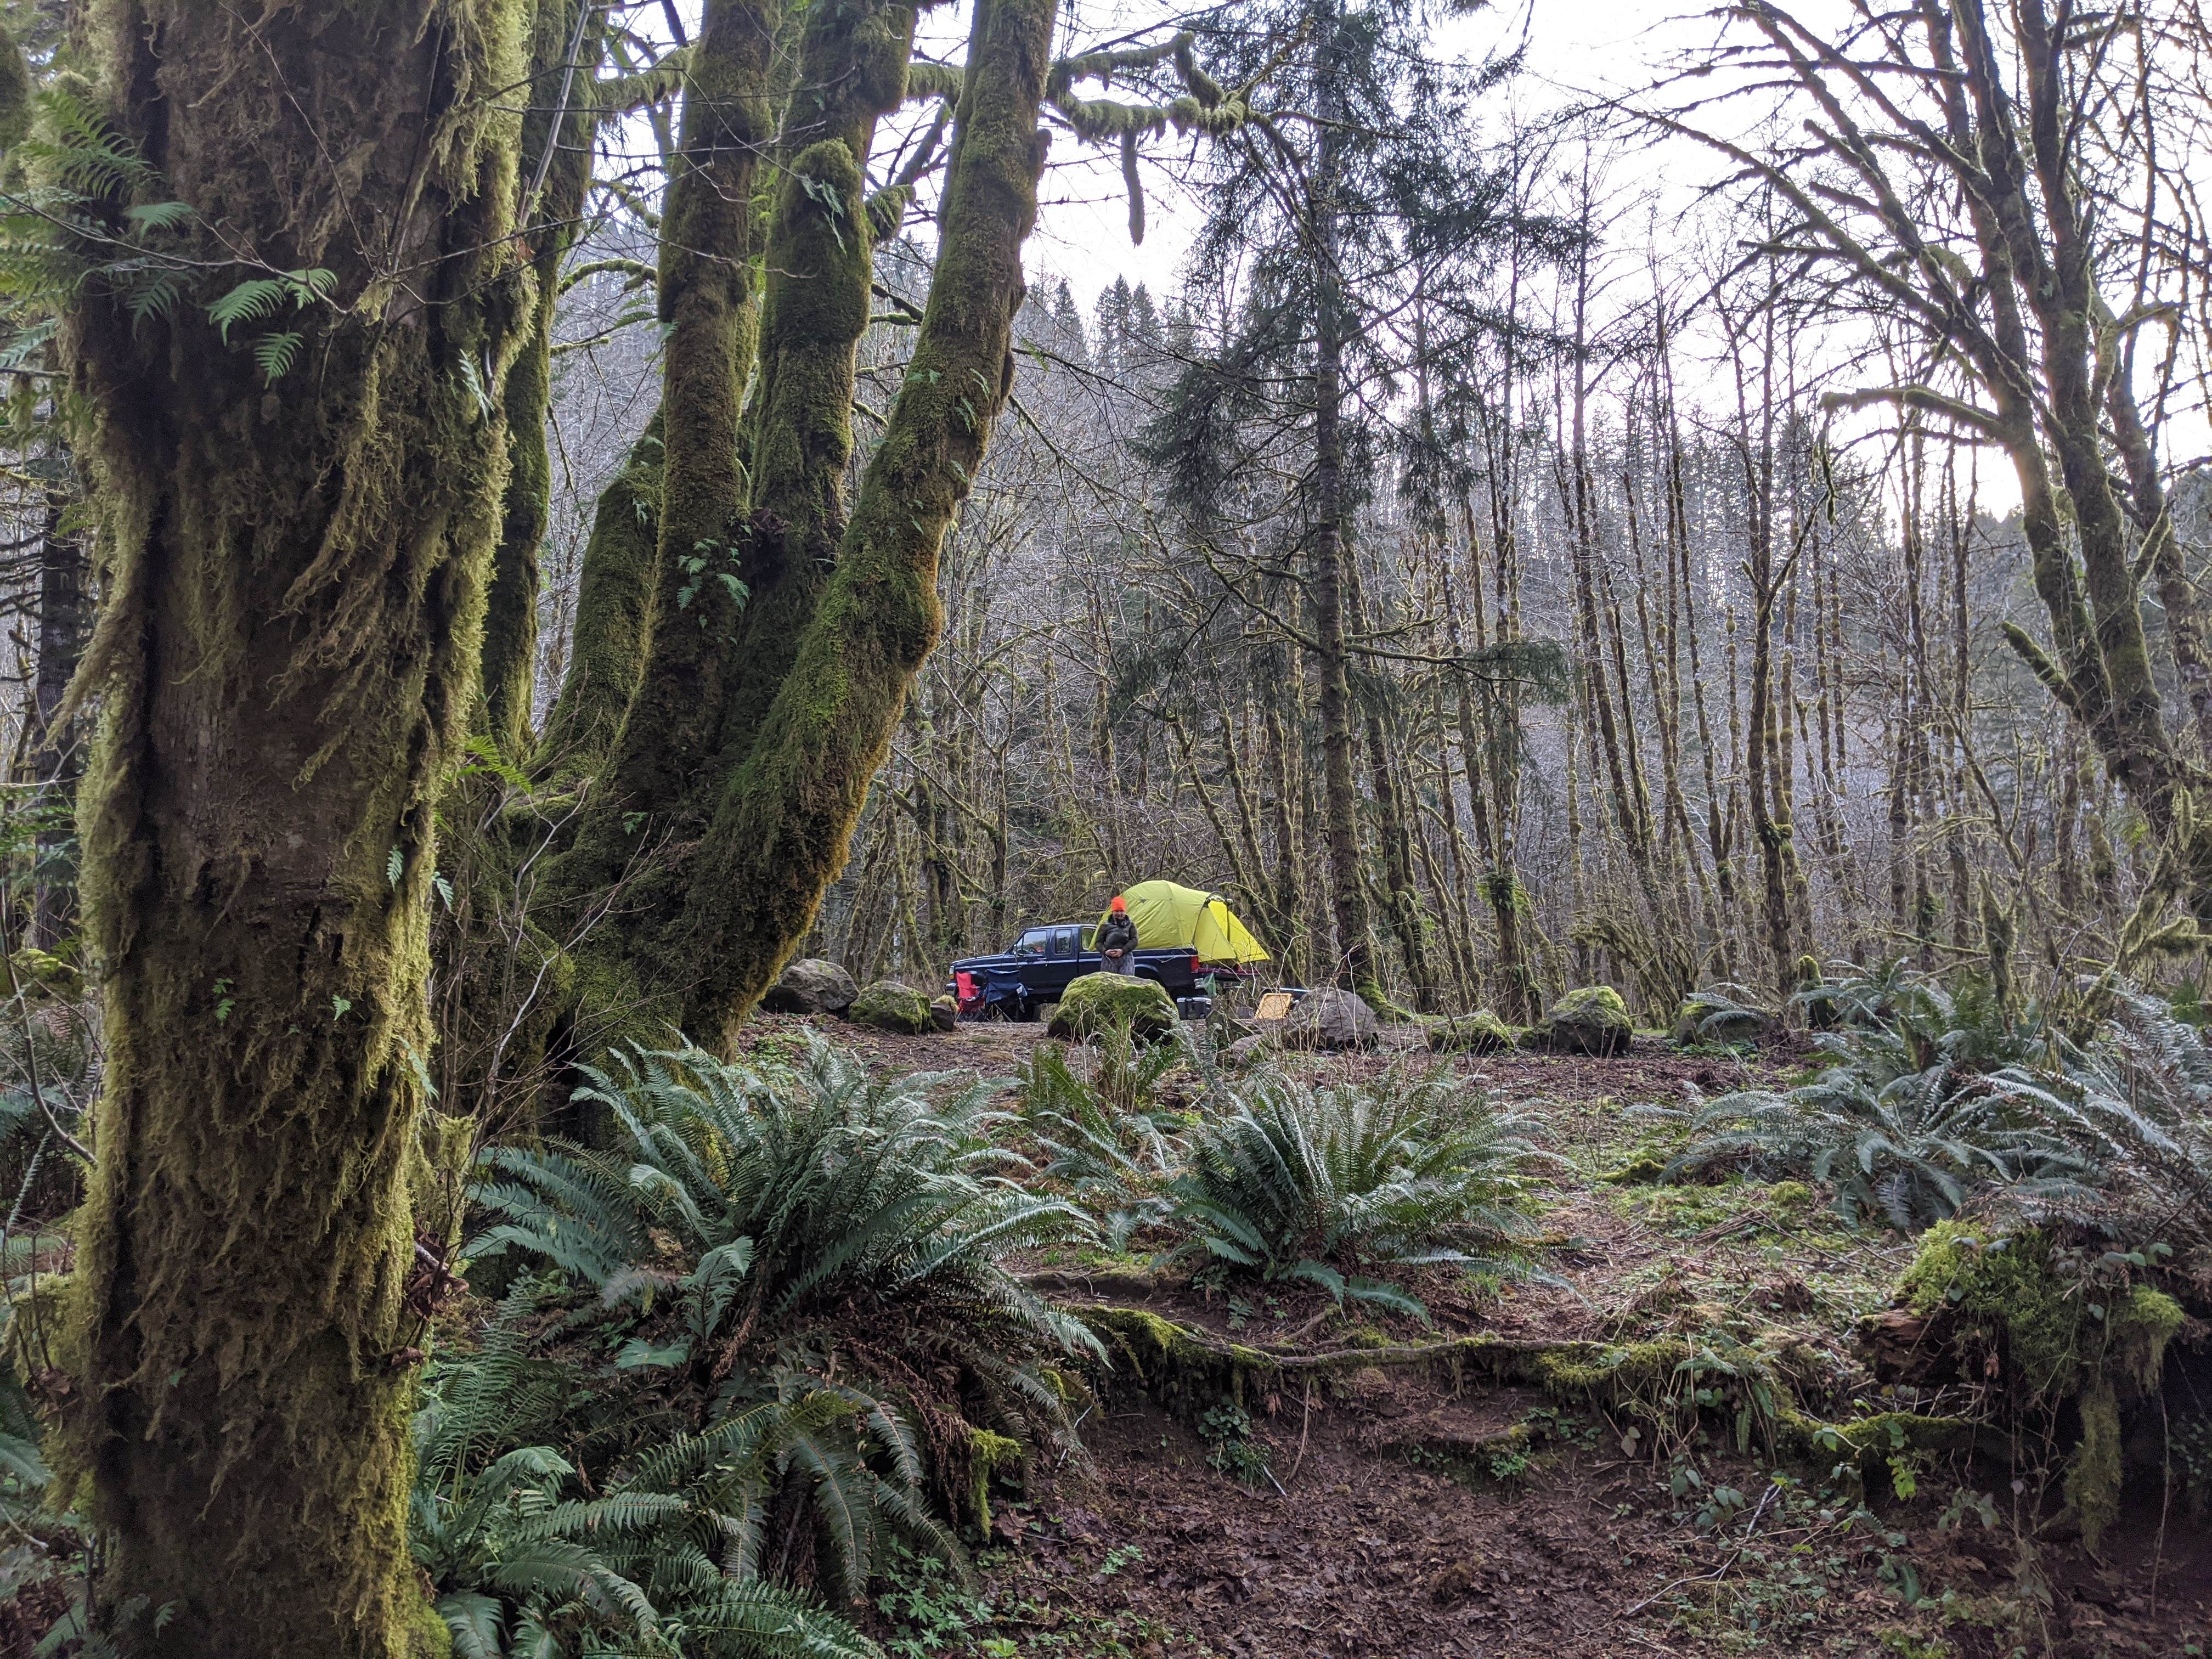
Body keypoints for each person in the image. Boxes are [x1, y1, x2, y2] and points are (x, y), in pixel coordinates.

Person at [1097, 894, 1139, 974]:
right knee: (1109, 984)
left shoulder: (1131, 925)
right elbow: (1098, 942)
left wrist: (1123, 951)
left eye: (1122, 911)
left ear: (1125, 912)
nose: (1119, 914)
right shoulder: (1105, 926)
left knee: (1127, 983)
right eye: (1117, 911)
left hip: (1126, 958)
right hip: (1109, 960)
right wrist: (1105, 952)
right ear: (1113, 912)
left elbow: (1135, 940)